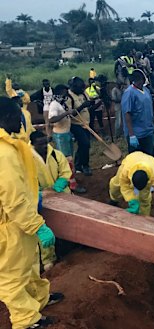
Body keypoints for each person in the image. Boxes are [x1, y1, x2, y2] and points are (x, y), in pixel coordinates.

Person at [0, 96, 62, 329]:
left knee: (28, 265)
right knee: (11, 276)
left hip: (19, 223)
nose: (23, 119)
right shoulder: (3, 154)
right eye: (18, 115)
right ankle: (25, 320)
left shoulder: (12, 145)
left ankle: (39, 298)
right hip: (9, 225)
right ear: (6, 119)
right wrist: (37, 225)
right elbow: (13, 200)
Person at [30, 130, 72, 271]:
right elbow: (27, 180)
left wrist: (60, 183)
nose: (44, 146)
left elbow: (66, 171)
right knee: (45, 230)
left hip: (62, 195)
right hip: (41, 199)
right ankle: (48, 261)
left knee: (68, 224)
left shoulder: (56, 154)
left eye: (45, 143)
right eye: (40, 144)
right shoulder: (28, 160)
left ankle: (68, 247)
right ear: (33, 144)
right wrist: (39, 192)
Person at [109, 151, 154, 226]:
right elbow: (124, 186)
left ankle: (144, 221)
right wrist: (132, 200)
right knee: (115, 185)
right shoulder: (125, 170)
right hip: (132, 158)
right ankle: (114, 199)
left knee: (144, 200)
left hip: (151, 163)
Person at [122, 70, 154, 157]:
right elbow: (127, 114)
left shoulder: (146, 91)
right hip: (137, 134)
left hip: (148, 132)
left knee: (150, 157)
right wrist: (132, 135)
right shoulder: (129, 93)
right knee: (137, 159)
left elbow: (149, 111)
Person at [65, 77, 94, 176]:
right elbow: (70, 113)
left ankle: (78, 165)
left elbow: (89, 106)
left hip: (86, 123)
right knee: (85, 144)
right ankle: (85, 166)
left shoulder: (83, 93)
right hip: (76, 124)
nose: (82, 90)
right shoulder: (68, 97)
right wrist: (82, 106)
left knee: (83, 145)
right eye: (80, 88)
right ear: (73, 87)